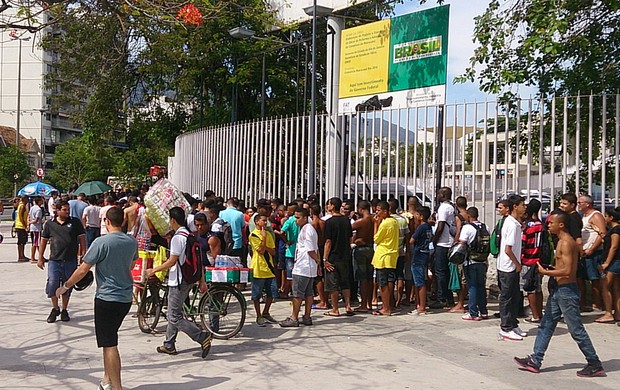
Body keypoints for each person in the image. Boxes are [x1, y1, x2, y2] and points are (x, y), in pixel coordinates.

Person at [514, 211, 606, 377]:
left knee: (576, 329)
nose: (548, 225)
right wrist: (550, 269)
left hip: (567, 292)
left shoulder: (565, 243)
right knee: (546, 324)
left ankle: (594, 363)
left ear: (561, 225)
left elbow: (569, 271)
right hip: (559, 291)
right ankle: (536, 359)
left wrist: (545, 272)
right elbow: (563, 267)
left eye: (551, 223)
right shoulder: (562, 242)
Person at [56, 206, 138, 390]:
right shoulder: (131, 241)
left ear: (106, 221)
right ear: (122, 221)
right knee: (107, 338)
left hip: (107, 298)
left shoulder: (101, 243)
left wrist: (66, 286)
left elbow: (83, 269)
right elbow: (132, 264)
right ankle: (106, 379)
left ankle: (117, 386)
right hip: (125, 297)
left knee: (109, 344)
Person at [146, 207, 213, 358]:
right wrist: (201, 280)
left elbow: (172, 261)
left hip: (178, 281)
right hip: (189, 279)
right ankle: (169, 344)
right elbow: (199, 262)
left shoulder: (178, 238)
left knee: (174, 316)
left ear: (173, 220)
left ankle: (201, 336)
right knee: (174, 311)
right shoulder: (190, 235)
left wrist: (154, 270)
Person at [37, 200, 87, 323]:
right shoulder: (49, 224)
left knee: (67, 285)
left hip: (70, 260)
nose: (67, 212)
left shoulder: (75, 222)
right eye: (64, 210)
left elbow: (82, 238)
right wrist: (40, 257)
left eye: (68, 209)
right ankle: (55, 308)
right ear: (57, 210)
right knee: (52, 283)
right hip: (54, 260)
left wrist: (83, 254)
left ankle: (64, 309)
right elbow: (43, 241)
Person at [279, 208, 321, 327]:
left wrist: (317, 261)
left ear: (305, 218)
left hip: (303, 267)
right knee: (308, 293)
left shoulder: (307, 230)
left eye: (298, 218)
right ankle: (306, 317)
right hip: (309, 266)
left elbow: (311, 250)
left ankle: (294, 317)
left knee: (298, 294)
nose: (295, 220)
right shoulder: (308, 229)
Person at [498, 194, 527, 341]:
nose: (524, 207)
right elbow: (508, 249)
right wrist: (517, 264)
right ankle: (505, 327)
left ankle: (513, 323)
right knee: (507, 298)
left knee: (515, 296)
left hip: (511, 266)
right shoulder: (511, 224)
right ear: (515, 207)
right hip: (508, 266)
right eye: (522, 205)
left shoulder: (514, 223)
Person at [323, 197, 354, 317]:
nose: (327, 206)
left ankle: (335, 309)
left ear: (332, 206)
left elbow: (328, 242)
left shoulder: (329, 222)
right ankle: (348, 305)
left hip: (333, 256)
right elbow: (350, 237)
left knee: (333, 284)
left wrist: (325, 258)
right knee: (345, 282)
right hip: (345, 255)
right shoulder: (346, 220)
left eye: (329, 204)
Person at [578, 194, 606, 311]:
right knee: (581, 278)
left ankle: (597, 303)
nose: (578, 205)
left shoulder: (596, 216)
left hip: (593, 253)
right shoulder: (583, 216)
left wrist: (592, 249)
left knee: (594, 279)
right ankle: (583, 302)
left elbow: (602, 234)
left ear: (587, 204)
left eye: (580, 203)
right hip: (583, 252)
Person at [460, 207, 489, 321]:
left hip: (470, 261)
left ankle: (473, 313)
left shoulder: (467, 227)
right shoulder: (485, 226)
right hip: (483, 260)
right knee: (481, 286)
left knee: (472, 287)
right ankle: (483, 311)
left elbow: (462, 243)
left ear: (468, 215)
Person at [249, 212, 278, 326]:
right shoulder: (253, 235)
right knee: (256, 294)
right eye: (263, 220)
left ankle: (266, 312)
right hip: (258, 268)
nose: (265, 223)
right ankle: (258, 315)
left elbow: (273, 251)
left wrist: (266, 241)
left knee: (272, 293)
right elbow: (260, 250)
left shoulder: (268, 234)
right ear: (256, 222)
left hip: (269, 268)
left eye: (266, 221)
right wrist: (264, 239)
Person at [371, 200, 399, 316]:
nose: (376, 213)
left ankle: (386, 308)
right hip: (391, 255)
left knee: (382, 284)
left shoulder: (385, 223)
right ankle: (387, 305)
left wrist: (376, 224)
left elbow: (376, 239)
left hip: (383, 256)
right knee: (388, 281)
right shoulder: (394, 221)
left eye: (378, 211)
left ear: (385, 211)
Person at [520, 199, 545, 323]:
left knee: (529, 289)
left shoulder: (527, 226)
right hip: (539, 260)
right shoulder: (541, 224)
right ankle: (539, 314)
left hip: (528, 260)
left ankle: (535, 316)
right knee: (538, 288)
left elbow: (523, 244)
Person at [595, 207, 620, 323]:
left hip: (614, 262)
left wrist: (606, 263)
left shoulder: (616, 231)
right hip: (614, 262)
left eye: (606, 216)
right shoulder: (612, 230)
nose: (605, 218)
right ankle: (617, 313)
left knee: (605, 286)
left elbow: (614, 247)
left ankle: (609, 312)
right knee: (615, 288)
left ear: (611, 217)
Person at [432, 187, 456, 308]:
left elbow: (440, 226)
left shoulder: (443, 208)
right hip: (449, 243)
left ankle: (441, 298)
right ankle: (449, 298)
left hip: (443, 243)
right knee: (446, 272)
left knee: (440, 272)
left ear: (443, 194)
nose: (437, 195)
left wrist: (434, 240)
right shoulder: (452, 207)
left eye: (439, 193)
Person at [351, 200, 375, 312]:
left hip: (361, 249)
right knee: (370, 277)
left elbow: (348, 228)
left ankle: (364, 304)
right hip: (371, 248)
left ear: (360, 209)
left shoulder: (361, 221)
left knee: (362, 278)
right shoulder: (374, 220)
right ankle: (369, 303)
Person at [410, 206, 433, 315]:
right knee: (420, 280)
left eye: (417, 214)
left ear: (421, 216)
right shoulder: (428, 227)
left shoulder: (421, 227)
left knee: (419, 281)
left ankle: (422, 306)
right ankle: (420, 304)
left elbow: (411, 240)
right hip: (425, 253)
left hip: (419, 255)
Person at [388, 198, 411, 308]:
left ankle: (391, 300)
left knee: (390, 277)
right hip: (401, 251)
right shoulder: (403, 219)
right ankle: (399, 300)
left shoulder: (387, 220)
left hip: (390, 252)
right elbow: (407, 237)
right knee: (400, 276)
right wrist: (407, 251)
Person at [280, 202, 301, 297]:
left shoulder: (289, 221)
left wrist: (286, 241)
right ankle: (297, 292)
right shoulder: (304, 220)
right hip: (300, 250)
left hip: (290, 251)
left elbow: (281, 232)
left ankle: (287, 292)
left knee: (290, 274)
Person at [28, 196, 44, 264]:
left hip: (33, 227)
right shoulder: (38, 209)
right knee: (35, 243)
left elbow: (29, 216)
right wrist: (30, 222)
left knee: (36, 243)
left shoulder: (32, 208)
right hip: (36, 228)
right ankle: (33, 257)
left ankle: (40, 256)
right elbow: (36, 219)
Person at [15, 195, 29, 262]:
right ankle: (21, 256)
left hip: (20, 226)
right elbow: (21, 217)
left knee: (23, 242)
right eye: (27, 199)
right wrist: (25, 226)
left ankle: (22, 255)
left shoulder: (21, 205)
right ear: (24, 199)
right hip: (21, 226)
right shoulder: (22, 206)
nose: (28, 200)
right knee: (21, 242)